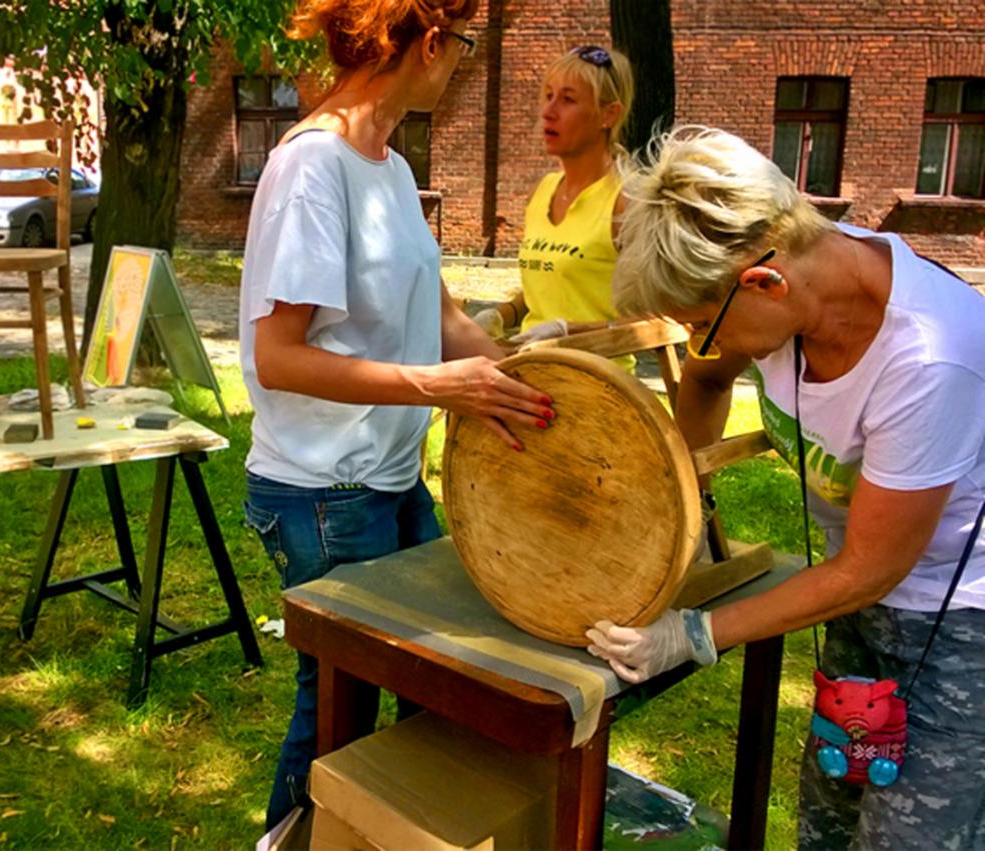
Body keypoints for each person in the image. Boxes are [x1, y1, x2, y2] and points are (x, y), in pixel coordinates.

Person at [586, 126, 985, 849]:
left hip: (958, 632)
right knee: (827, 823)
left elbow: (871, 567)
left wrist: (693, 634)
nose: (704, 342)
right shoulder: (793, 285)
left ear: (762, 281)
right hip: (857, 609)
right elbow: (707, 375)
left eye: (705, 322)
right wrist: (670, 495)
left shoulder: (930, 356)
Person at [239, 0, 552, 830]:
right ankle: (292, 838)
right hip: (322, 488)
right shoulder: (313, 167)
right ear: (431, 43)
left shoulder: (388, 165)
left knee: (436, 680)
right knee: (340, 702)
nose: (464, 63)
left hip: (388, 475)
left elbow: (442, 316)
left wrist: (518, 363)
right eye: (467, 46)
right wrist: (441, 386)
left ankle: (387, 835)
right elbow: (279, 357)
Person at [473, 45, 635, 367]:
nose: (549, 111)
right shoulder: (544, 190)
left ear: (609, 114)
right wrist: (501, 315)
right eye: (548, 95)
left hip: (600, 390)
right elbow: (554, 288)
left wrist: (569, 331)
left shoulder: (627, 200)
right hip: (533, 374)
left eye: (568, 99)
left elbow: (661, 322)